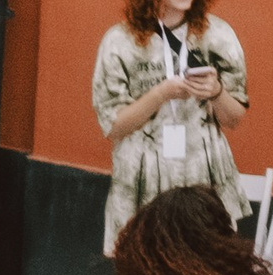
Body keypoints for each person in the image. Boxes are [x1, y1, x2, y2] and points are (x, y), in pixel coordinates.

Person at [91, 0, 249, 250]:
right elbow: (113, 127)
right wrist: (160, 95)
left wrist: (217, 92)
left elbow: (234, 119)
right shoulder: (118, 42)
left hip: (202, 180)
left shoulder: (218, 36)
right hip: (142, 182)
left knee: (206, 274)